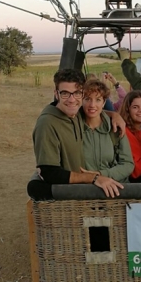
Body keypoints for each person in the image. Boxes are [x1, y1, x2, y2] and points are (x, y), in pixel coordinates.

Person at [32, 68, 125, 198]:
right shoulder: (47, 124)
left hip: (82, 194)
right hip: (66, 199)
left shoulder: (75, 113)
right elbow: (49, 172)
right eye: (65, 93)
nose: (71, 100)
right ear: (56, 94)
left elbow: (94, 111)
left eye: (76, 93)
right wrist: (93, 178)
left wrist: (114, 115)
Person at [80, 78, 134, 189]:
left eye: (98, 100)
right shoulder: (73, 128)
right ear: (82, 100)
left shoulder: (115, 128)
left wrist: (100, 175)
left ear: (104, 102)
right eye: (87, 99)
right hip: (84, 191)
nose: (92, 104)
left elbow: (128, 164)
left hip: (116, 189)